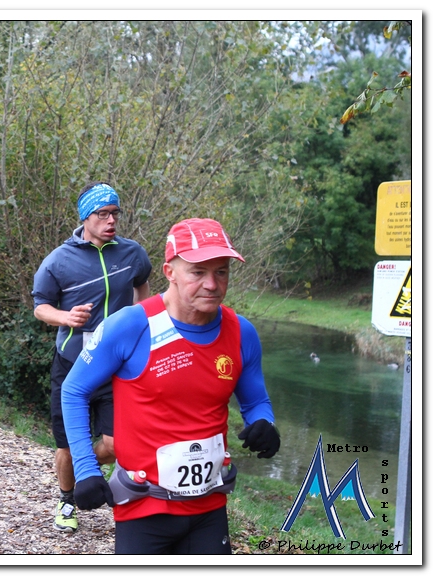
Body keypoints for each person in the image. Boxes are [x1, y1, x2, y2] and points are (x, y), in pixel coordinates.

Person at [61, 217, 281, 554]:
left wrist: (264, 423)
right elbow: (74, 390)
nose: (212, 284)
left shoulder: (241, 332)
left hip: (209, 507)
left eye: (221, 272)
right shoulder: (131, 325)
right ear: (170, 272)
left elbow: (255, 402)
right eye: (198, 272)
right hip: (143, 507)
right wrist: (86, 469)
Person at [32, 181, 152, 533]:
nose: (111, 220)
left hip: (115, 367)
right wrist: (66, 317)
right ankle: (67, 499)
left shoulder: (132, 253)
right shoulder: (59, 260)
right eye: (102, 214)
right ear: (85, 217)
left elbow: (142, 289)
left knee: (115, 445)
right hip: (72, 365)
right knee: (68, 447)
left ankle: (87, 471)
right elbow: (40, 307)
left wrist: (142, 322)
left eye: (115, 213)